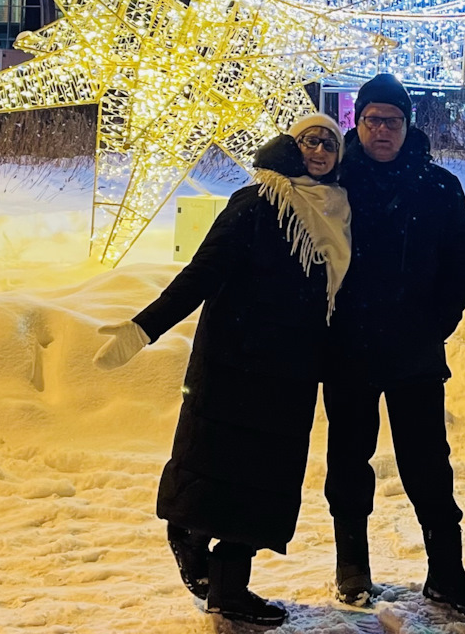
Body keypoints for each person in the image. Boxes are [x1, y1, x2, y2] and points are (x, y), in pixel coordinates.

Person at [94, 112, 352, 627]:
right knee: (217, 466)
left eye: (329, 144)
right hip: (234, 363)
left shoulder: (340, 210)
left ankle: (229, 588)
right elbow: (204, 271)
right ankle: (188, 538)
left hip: (291, 373)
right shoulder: (257, 202)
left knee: (264, 480)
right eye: (310, 140)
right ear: (292, 145)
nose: (319, 150)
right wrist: (145, 327)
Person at [325, 73, 465, 616]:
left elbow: (464, 260)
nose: (382, 130)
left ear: (406, 125)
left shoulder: (437, 186)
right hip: (347, 349)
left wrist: (436, 323)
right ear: (357, 122)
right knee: (348, 460)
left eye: (393, 121)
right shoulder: (332, 184)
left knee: (428, 464)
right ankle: (352, 567)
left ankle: (446, 572)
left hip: (414, 352)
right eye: (373, 119)